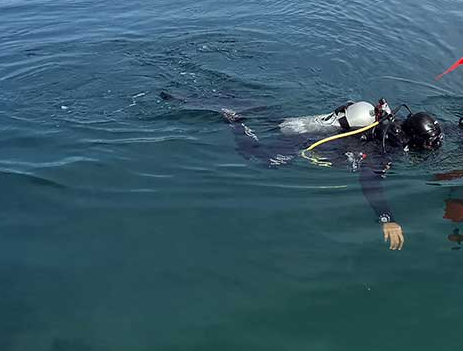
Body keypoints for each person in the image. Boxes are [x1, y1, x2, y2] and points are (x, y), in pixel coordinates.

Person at [161, 93, 443, 250]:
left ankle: (249, 106)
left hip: (325, 130)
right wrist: (386, 218)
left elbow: (446, 131)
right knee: (264, 159)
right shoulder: (385, 150)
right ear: (415, 138)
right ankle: (234, 121)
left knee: (280, 124)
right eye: (431, 142)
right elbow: (369, 180)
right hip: (314, 142)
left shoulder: (399, 127)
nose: (434, 146)